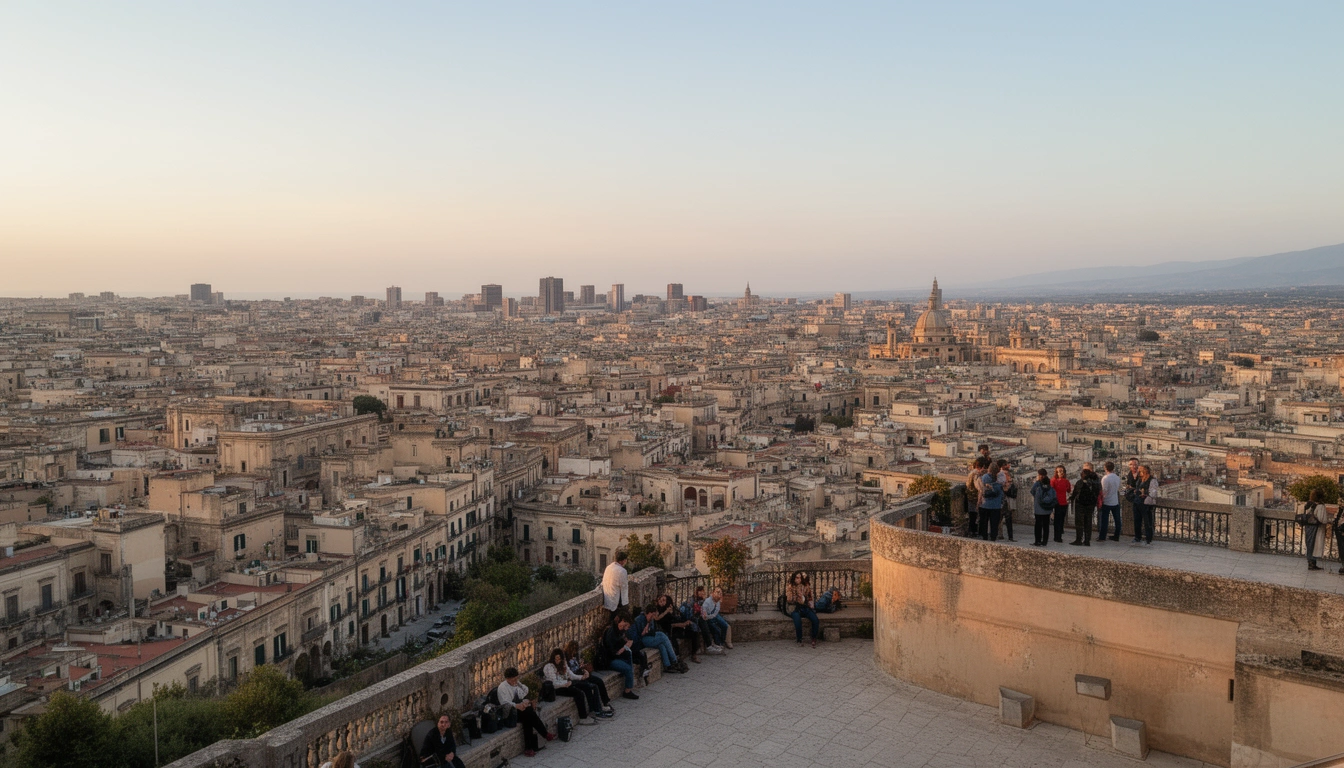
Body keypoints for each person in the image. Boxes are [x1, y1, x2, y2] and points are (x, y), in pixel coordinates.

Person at [498, 667, 555, 758]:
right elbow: (505, 703)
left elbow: (525, 691)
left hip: (519, 710)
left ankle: (529, 748)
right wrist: (517, 706)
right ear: (508, 678)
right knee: (528, 713)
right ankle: (545, 734)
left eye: (517, 678)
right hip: (510, 713)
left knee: (527, 717)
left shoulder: (516, 684)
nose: (516, 680)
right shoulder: (502, 687)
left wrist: (519, 684)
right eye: (514, 678)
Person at [544, 648, 610, 724]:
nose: (558, 660)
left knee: (587, 686)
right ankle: (583, 717)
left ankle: (594, 710)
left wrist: (581, 677)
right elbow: (554, 683)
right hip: (558, 688)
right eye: (556, 658)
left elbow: (571, 675)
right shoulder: (549, 667)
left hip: (567, 683)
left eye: (559, 658)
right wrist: (565, 684)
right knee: (579, 693)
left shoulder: (563, 664)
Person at [562, 640, 614, 713]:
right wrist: (581, 676)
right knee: (592, 686)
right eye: (572, 649)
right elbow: (570, 673)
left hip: (581, 673)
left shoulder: (575, 656)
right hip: (576, 677)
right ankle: (596, 708)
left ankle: (605, 702)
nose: (574, 652)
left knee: (599, 681)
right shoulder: (565, 659)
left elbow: (579, 666)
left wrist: (584, 670)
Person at [631, 603, 682, 672]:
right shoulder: (639, 619)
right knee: (662, 637)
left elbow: (652, 630)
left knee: (661, 645)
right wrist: (646, 630)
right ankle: (674, 660)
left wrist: (649, 629)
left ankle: (668, 665)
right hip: (643, 640)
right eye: (652, 615)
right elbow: (639, 634)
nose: (653, 617)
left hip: (649, 636)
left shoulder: (650, 620)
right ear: (648, 613)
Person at [655, 593, 702, 664]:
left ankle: (694, 654)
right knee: (675, 639)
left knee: (694, 632)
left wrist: (685, 622)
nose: (663, 602)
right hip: (671, 631)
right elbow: (670, 625)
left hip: (678, 628)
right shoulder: (661, 612)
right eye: (661, 601)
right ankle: (677, 658)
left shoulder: (669, 609)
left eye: (664, 600)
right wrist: (682, 624)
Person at [602, 612, 640, 699]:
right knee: (628, 668)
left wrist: (627, 644)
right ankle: (627, 690)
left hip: (619, 656)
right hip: (610, 659)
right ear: (622, 621)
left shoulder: (620, 631)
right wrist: (624, 647)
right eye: (625, 625)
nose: (625, 628)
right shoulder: (611, 631)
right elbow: (613, 651)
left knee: (630, 655)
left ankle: (630, 685)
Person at [786, 571, 821, 647]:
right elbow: (789, 600)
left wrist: (808, 600)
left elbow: (809, 597)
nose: (798, 579)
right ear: (794, 578)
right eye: (797, 578)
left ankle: (814, 638)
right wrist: (797, 597)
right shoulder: (790, 586)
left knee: (815, 620)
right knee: (798, 621)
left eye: (800, 578)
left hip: (804, 607)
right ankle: (799, 639)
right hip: (795, 608)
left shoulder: (804, 586)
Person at [1068, 465, 1100, 546]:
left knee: (1079, 523)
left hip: (1080, 505)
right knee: (1088, 523)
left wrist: (1071, 498)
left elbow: (1075, 493)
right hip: (1090, 505)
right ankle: (1087, 540)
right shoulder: (1094, 483)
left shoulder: (1080, 482)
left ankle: (1079, 539)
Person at [976, 458, 1004, 542]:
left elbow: (981, 489)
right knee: (994, 523)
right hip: (996, 505)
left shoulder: (985, 477)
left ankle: (984, 536)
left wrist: (978, 502)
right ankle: (993, 537)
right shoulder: (1001, 477)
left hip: (985, 504)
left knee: (984, 522)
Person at [1301, 489, 1328, 571]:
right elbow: (1323, 519)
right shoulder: (1320, 506)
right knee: (1315, 545)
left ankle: (1310, 562)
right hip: (1317, 528)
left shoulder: (1309, 504)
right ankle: (1313, 563)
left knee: (1309, 544)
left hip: (1308, 527)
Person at [1098, 461, 1123, 542]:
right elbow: (1119, 488)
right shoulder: (1117, 477)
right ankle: (1117, 536)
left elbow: (1104, 490)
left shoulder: (1105, 478)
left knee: (1104, 520)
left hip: (1107, 501)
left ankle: (1102, 537)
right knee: (1117, 520)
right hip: (1115, 501)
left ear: (1105, 468)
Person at [1133, 465, 1158, 545]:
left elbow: (1153, 493)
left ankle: (1148, 538)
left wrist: (1145, 494)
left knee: (1148, 522)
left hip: (1146, 503)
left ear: (1144, 471)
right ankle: (1137, 537)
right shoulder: (1140, 479)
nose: (1139, 473)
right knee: (1137, 521)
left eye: (1140, 471)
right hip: (1137, 502)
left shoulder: (1152, 480)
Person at [1030, 469, 1056, 546]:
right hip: (1047, 509)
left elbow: (1032, 491)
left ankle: (1037, 541)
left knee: (1038, 525)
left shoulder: (1037, 484)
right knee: (1046, 526)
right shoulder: (1048, 483)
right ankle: (1045, 541)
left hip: (1038, 508)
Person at [601, 551, 629, 617]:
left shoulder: (608, 567)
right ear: (623, 561)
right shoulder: (622, 571)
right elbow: (624, 588)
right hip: (616, 602)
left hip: (608, 600)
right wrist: (626, 604)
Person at [1049, 465, 1071, 543]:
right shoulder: (1053, 480)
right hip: (1057, 502)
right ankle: (1057, 536)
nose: (1061, 472)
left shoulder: (1066, 481)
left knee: (1061, 520)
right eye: (1059, 471)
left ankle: (1059, 535)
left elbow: (1068, 490)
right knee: (1057, 520)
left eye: (1062, 471)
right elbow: (1051, 491)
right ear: (1056, 472)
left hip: (1064, 502)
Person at [997, 460, 1017, 542]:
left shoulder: (1005, 474)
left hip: (1005, 500)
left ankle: (1006, 536)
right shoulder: (1001, 474)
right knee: (1002, 519)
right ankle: (1003, 535)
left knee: (1004, 519)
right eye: (1005, 465)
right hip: (1003, 500)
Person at [964, 457, 983, 537]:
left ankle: (972, 531)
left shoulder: (971, 473)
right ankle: (973, 531)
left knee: (972, 515)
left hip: (970, 496)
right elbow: (978, 488)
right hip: (974, 497)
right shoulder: (976, 475)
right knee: (974, 515)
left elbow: (967, 485)